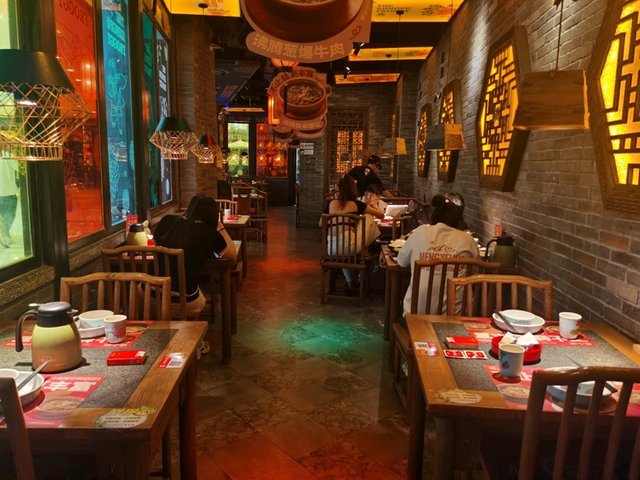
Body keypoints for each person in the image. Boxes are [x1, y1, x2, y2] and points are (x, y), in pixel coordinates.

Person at [154, 195, 237, 320]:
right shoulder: (209, 233)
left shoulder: (167, 221)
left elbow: (157, 241)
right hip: (182, 300)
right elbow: (232, 255)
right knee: (199, 299)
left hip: (148, 295)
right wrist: (219, 226)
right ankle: (189, 328)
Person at [396, 194, 479, 316]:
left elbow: (401, 262)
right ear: (459, 221)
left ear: (433, 217)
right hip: (454, 319)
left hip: (415, 317)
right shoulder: (467, 240)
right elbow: (477, 272)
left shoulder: (420, 232)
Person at [325, 175, 384, 292]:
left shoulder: (331, 204)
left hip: (331, 249)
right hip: (349, 247)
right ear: (354, 189)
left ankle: (351, 282)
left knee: (345, 250)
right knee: (368, 217)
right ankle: (368, 250)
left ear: (339, 189)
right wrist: (371, 204)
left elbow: (321, 223)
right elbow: (381, 215)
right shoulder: (357, 204)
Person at [0, 159, 19, 248]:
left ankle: (5, 234)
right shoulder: (8, 156)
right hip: (8, 191)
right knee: (10, 214)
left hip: (6, 191)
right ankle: (5, 235)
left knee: (3, 216)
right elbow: (19, 168)